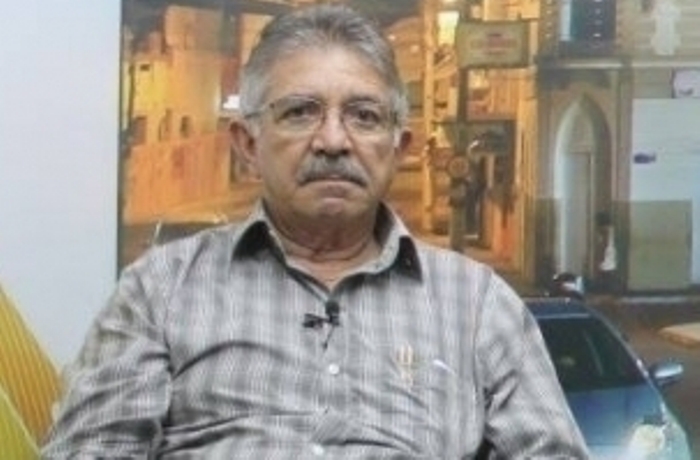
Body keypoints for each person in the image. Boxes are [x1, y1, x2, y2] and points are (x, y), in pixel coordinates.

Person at [42, 5, 589, 459]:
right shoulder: (160, 290)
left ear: (399, 149)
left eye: (364, 116)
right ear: (248, 144)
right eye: (301, 112)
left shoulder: (477, 304)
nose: (332, 141)